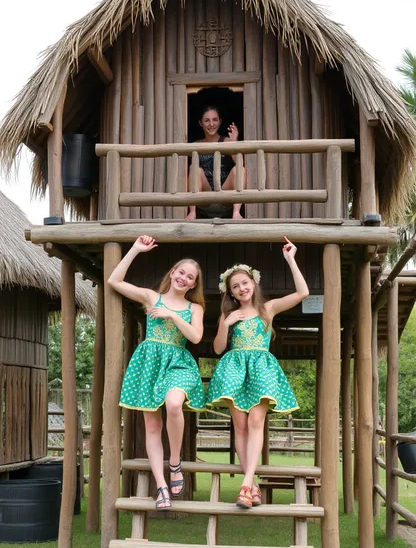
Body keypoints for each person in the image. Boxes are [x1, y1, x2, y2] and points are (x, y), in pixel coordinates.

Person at [206, 238, 309, 509]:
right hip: (234, 369)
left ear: (253, 283)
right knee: (239, 426)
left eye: (244, 283)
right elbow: (217, 349)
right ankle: (252, 486)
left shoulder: (268, 309)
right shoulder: (228, 315)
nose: (241, 288)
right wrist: (226, 324)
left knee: (255, 422)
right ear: (230, 292)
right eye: (235, 286)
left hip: (262, 368)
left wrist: (290, 259)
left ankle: (245, 485)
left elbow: (302, 293)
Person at [108, 235, 205, 510]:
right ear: (173, 272)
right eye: (181, 272)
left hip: (178, 361)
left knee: (174, 404)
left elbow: (196, 337)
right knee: (152, 426)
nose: (184, 278)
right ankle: (161, 485)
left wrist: (172, 316)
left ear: (193, 284)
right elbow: (114, 281)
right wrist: (136, 250)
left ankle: (175, 462)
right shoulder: (152, 297)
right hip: (150, 361)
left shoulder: (194, 307)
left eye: (190, 277)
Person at [186, 105, 246, 220]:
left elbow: (240, 163)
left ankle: (236, 212)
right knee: (195, 168)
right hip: (204, 198)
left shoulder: (227, 141)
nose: (211, 124)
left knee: (239, 169)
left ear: (220, 122)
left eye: (215, 120)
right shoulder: (195, 145)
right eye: (207, 121)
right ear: (200, 123)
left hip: (225, 196)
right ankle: (192, 212)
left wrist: (234, 143)